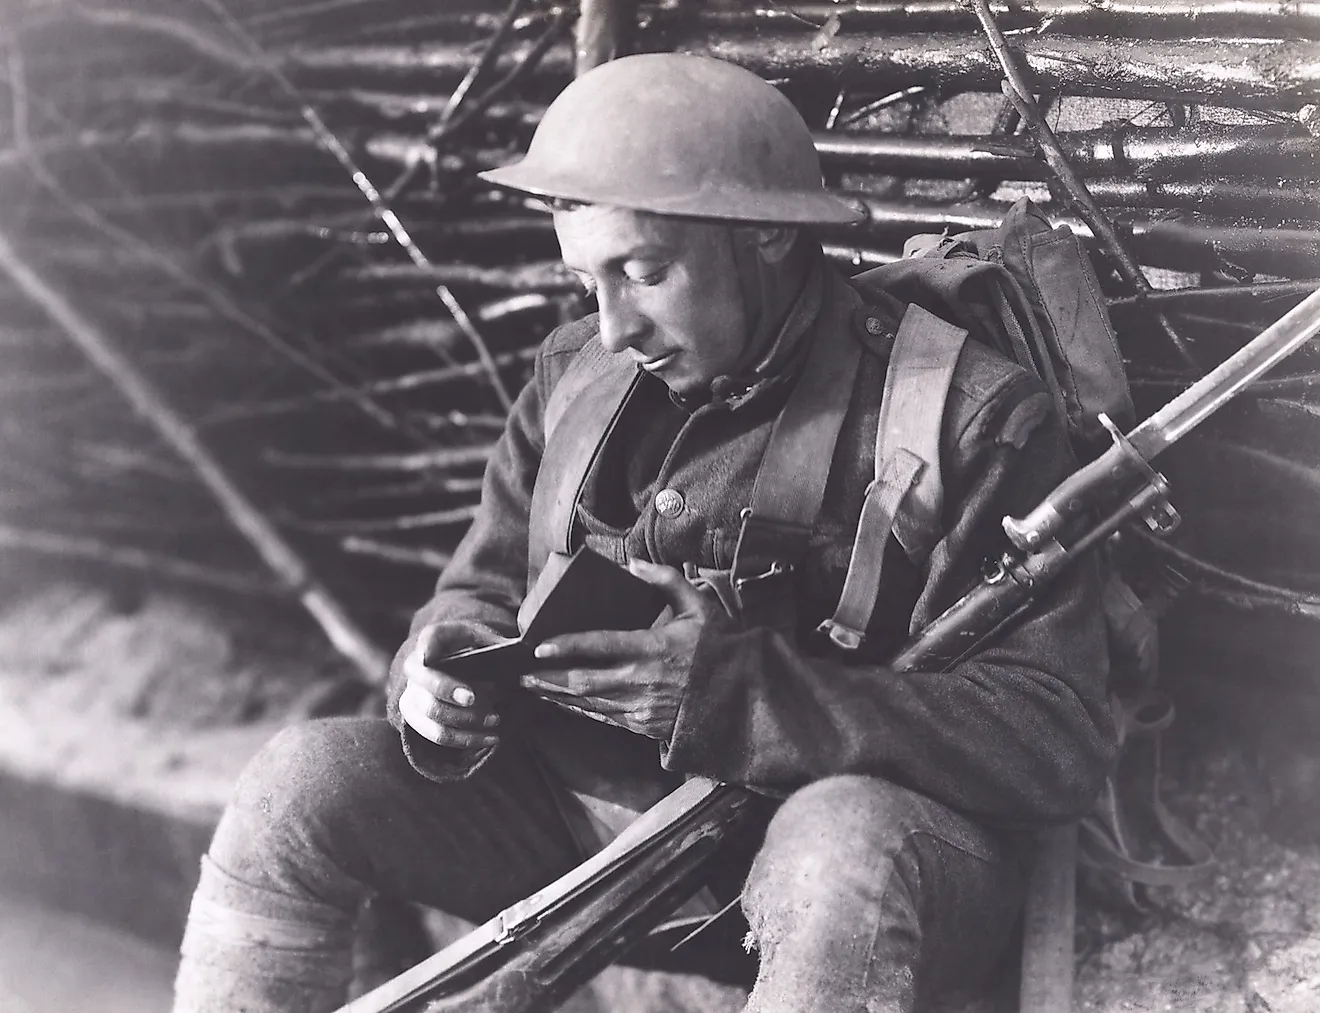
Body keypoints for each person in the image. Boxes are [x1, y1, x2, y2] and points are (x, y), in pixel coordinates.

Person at [172, 53, 1117, 1013]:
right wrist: (439, 671)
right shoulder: (578, 379)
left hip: (836, 877)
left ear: (766, 239)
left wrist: (741, 697)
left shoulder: (962, 418)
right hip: (591, 840)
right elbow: (481, 588)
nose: (615, 325)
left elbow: (1052, 738)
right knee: (300, 784)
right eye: (589, 281)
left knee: (839, 846)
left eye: (646, 272)